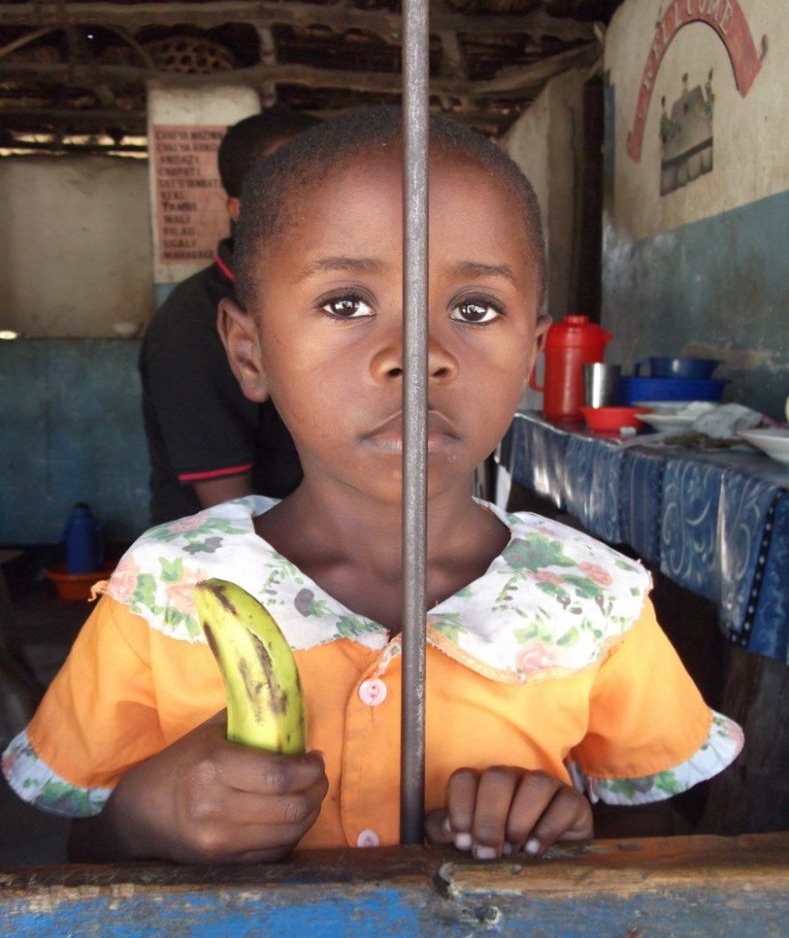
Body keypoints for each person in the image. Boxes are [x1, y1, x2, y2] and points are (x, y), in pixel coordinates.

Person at [2, 108, 743, 864]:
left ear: (531, 355)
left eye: (474, 309)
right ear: (249, 350)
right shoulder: (167, 591)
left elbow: (654, 842)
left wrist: (566, 827)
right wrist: (151, 815)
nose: (416, 354)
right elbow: (85, 850)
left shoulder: (593, 598)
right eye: (345, 304)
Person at [139, 109, 318, 525]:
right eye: (295, 189)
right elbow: (230, 514)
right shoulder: (190, 329)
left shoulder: (334, 297)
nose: (323, 205)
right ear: (239, 209)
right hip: (233, 569)